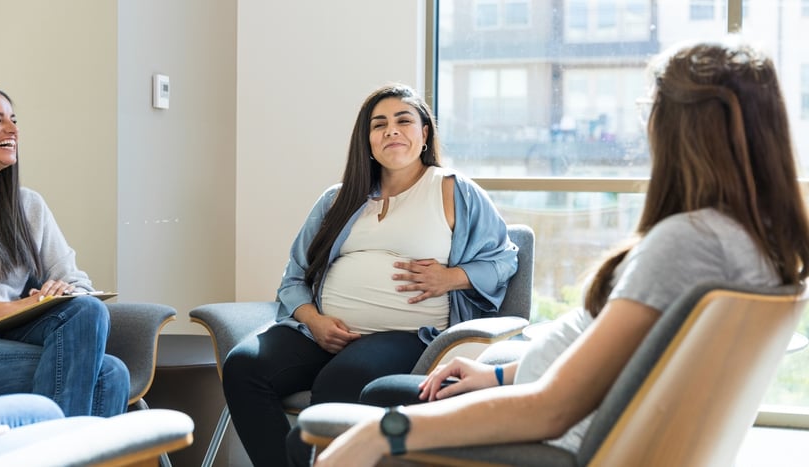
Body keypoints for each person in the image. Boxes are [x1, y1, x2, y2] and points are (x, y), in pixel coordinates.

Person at [310, 39, 809, 467]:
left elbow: (554, 409)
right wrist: (498, 373)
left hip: (546, 435)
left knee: (367, 407)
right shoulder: (756, 242)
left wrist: (385, 433)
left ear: (681, 127)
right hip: (540, 398)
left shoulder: (685, 245)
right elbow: (620, 359)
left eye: (648, 109)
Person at [222, 83, 519, 466]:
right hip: (321, 332)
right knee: (244, 366)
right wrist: (314, 321)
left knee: (340, 381)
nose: (391, 131)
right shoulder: (337, 199)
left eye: (403, 121)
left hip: (406, 335)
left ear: (424, 133)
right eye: (379, 124)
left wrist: (453, 277)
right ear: (368, 140)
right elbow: (294, 275)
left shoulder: (452, 190)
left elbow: (504, 259)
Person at [0, 84, 129, 417]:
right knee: (109, 374)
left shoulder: (28, 206)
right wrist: (20, 306)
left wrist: (63, 290)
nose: (13, 130)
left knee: (88, 310)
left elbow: (78, 280)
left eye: (14, 120)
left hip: (11, 334)